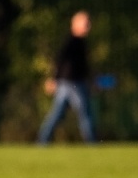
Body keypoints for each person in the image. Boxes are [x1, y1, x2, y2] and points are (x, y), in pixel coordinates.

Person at [37, 11, 97, 144]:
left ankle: (43, 140)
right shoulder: (71, 42)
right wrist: (54, 79)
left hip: (69, 83)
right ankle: (92, 142)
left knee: (58, 114)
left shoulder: (80, 43)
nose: (88, 26)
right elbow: (60, 62)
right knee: (85, 113)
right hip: (72, 84)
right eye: (85, 24)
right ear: (75, 25)